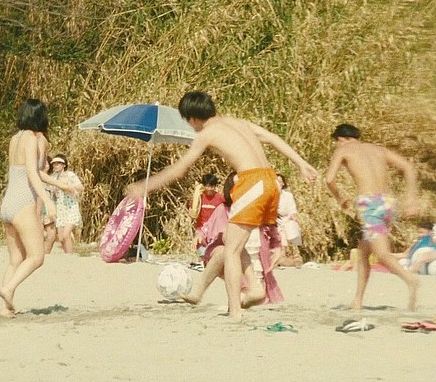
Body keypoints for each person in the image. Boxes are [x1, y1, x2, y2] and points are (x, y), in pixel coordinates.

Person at [126, 91, 316, 320]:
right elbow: (273, 138)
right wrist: (301, 163)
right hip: (271, 182)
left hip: (252, 182)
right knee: (234, 241)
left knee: (231, 250)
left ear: (192, 118)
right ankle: (253, 290)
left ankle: (235, 310)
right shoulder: (238, 123)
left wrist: (145, 186)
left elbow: (179, 169)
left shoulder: (207, 133)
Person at [325, 123, 420, 311]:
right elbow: (408, 167)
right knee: (363, 253)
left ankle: (410, 280)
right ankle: (357, 301)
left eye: (337, 141)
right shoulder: (378, 149)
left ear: (341, 139)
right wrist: (410, 198)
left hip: (369, 205)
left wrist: (340, 198)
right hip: (387, 203)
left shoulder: (343, 150)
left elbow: (329, 179)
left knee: (381, 254)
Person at [0, 99, 59, 317]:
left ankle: (6, 308)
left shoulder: (15, 138)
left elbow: (27, 170)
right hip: (23, 202)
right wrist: (47, 200)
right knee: (37, 257)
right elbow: (33, 173)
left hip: (8, 202)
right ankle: (9, 289)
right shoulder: (32, 138)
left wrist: (61, 185)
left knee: (15, 260)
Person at [182, 172, 283, 306]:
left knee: (252, 294)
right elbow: (210, 229)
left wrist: (277, 246)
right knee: (228, 247)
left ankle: (248, 294)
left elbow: (272, 228)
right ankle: (198, 293)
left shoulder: (256, 210)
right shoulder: (223, 209)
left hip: (250, 261)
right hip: (225, 255)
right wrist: (199, 234)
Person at [49, 154, 84, 254]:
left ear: (64, 165)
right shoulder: (53, 177)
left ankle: (70, 256)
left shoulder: (70, 175)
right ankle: (67, 254)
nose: (56, 165)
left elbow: (81, 187)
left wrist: (68, 186)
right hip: (60, 208)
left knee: (66, 234)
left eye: (58, 163)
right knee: (61, 238)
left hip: (71, 207)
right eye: (54, 164)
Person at [190, 173, 224, 255]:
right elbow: (192, 213)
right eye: (207, 186)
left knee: (213, 253)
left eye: (211, 186)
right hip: (201, 230)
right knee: (201, 251)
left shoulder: (220, 198)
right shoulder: (199, 198)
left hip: (214, 231)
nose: (209, 189)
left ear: (215, 186)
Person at [275, 173, 303, 267]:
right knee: (279, 230)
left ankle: (296, 254)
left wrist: (292, 216)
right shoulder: (271, 195)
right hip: (276, 220)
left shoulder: (288, 195)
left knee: (291, 226)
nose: (278, 183)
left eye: (280, 181)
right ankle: (281, 256)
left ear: (283, 183)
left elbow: (292, 209)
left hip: (287, 218)